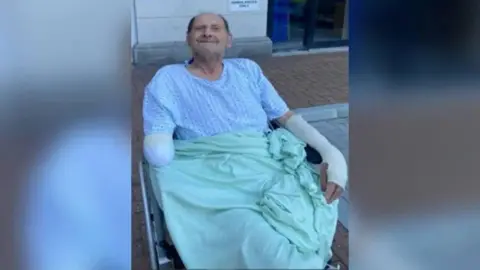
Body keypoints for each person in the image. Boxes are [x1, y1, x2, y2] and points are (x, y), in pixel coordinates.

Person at [143, 12, 347, 202]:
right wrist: (157, 146)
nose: (207, 33)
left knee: (310, 202)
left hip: (264, 160)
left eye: (216, 28)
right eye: (200, 29)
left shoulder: (247, 69)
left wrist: (329, 151)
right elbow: (159, 141)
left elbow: (284, 116)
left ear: (228, 40)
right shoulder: (168, 78)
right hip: (208, 167)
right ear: (188, 39)